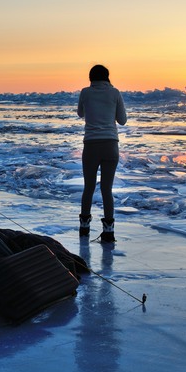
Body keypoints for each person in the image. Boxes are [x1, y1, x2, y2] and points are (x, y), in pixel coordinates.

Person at [77, 64, 127, 242]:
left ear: (91, 77)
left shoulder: (85, 92)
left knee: (88, 187)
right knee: (107, 189)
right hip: (110, 145)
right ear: (107, 77)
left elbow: (80, 113)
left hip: (90, 144)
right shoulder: (115, 93)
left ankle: (84, 227)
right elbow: (122, 120)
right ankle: (109, 231)